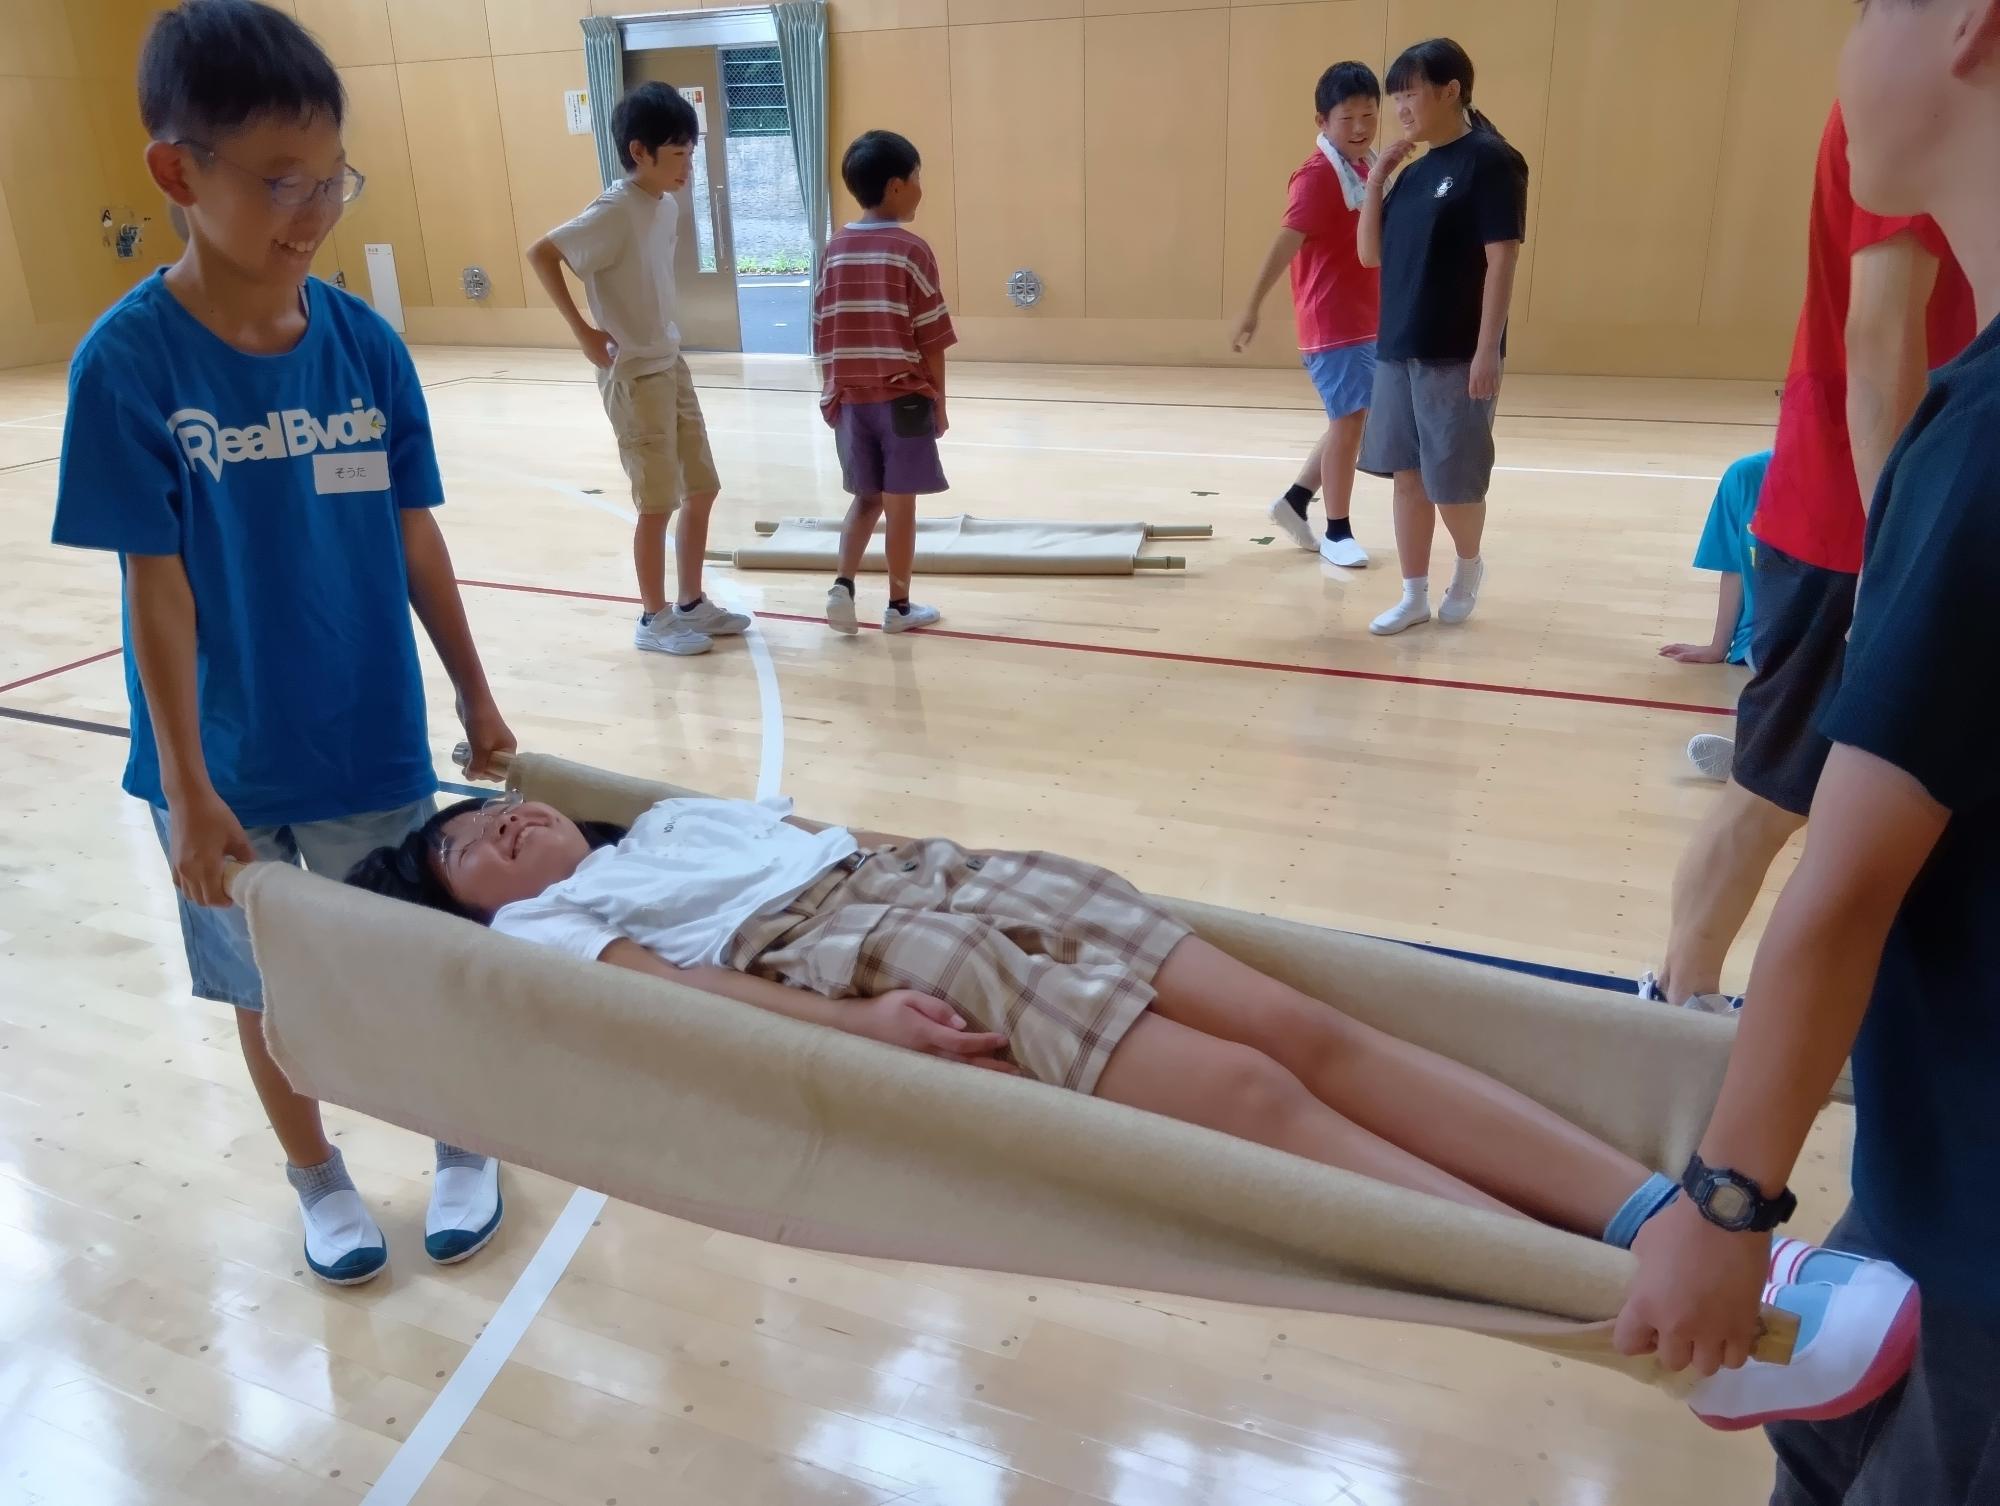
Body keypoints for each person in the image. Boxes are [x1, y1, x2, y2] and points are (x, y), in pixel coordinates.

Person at [350, 788, 1920, 1431]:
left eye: (500, 809)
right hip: (871, 951)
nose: (507, 826)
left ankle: (1659, 1217)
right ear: (477, 909)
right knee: (1251, 1095)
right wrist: (857, 1024)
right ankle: (1658, 1313)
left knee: (1307, 1028)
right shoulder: (549, 927)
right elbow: (683, 998)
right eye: (473, 848)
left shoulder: (650, 822)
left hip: (946, 878)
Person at [48, 0, 513, 1287]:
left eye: (330, 179)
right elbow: (156, 593)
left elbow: (414, 536)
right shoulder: (127, 368)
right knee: (266, 991)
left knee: (408, 963)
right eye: (276, 181)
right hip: (226, 767)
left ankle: (462, 1140)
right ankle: (317, 1177)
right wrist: (189, 790)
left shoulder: (364, 349)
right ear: (176, 172)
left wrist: (474, 694)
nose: (310, 212)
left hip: (369, 735)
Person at [1616, 5, 2000, 1500]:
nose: (1843, 59)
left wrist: (1725, 1203)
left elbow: (1841, 890)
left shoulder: (1975, 451)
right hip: (1929, 1181)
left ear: (1965, 24)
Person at [1638, 101, 1976, 1012]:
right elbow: (1879, 343)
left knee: (1878, 805)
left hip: (1911, 515)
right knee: (1774, 792)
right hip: (1851, 527)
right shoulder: (1919, 94)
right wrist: (1894, 553)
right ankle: (1679, 999)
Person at [526, 83, 749, 658]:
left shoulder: (664, 205)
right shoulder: (614, 210)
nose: (687, 166)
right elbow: (542, 253)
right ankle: (653, 618)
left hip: (669, 362)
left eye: (691, 152)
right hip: (632, 374)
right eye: (676, 154)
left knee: (702, 487)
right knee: (657, 502)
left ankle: (692, 603)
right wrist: (583, 331)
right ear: (639, 152)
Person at [1356, 38, 1528, 636]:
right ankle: (1413, 595)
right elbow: (1370, 253)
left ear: (1451, 90)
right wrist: (1377, 179)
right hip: (1398, 346)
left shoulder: (1491, 160)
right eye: (1396, 96)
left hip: (1456, 351)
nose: (1401, 107)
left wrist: (1487, 350)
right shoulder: (1413, 172)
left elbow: (1502, 259)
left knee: (1451, 481)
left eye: (1411, 93)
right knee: (1406, 476)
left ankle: (1469, 564)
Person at [1230, 61, 1382, 570]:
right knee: (1349, 423)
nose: (1360, 128)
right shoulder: (1318, 177)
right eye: (1347, 118)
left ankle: (1295, 502)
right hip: (1333, 324)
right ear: (1322, 121)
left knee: (1351, 421)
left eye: (1369, 115)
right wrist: (1251, 307)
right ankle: (1338, 531)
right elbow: (1285, 243)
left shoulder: (1366, 168)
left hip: (1366, 318)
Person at [811, 130, 956, 636]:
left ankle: (842, 586)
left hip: (851, 400)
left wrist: (832, 392)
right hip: (903, 400)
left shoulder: (835, 248)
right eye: (917, 178)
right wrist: (939, 402)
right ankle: (898, 606)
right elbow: (931, 335)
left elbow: (822, 326)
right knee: (900, 506)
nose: (921, 189)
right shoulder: (911, 249)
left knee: (865, 499)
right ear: (896, 186)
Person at [1661, 451, 1773, 785]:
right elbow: (1735, 567)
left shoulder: (1872, 475)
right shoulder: (1747, 475)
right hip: (1767, 638)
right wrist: (1718, 646)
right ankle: (1758, 761)